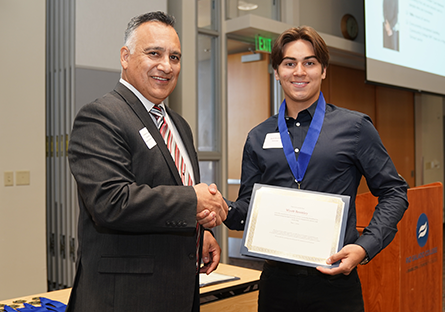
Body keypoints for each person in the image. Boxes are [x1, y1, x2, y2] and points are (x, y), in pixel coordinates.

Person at [223, 26, 408, 311]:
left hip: (336, 285)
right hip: (276, 284)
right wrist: (223, 209)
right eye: (289, 63)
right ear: (276, 71)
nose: (299, 71)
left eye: (309, 63)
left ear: (323, 70)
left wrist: (364, 246)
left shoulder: (355, 128)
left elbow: (394, 192)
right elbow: (248, 209)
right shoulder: (258, 137)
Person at [67, 11, 228, 312]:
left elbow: (169, 189)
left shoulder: (179, 125)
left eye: (175, 57)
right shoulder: (101, 117)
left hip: (178, 293)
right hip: (125, 299)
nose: (166, 66)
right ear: (125, 57)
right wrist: (193, 201)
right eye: (154, 53)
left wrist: (199, 232)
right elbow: (110, 201)